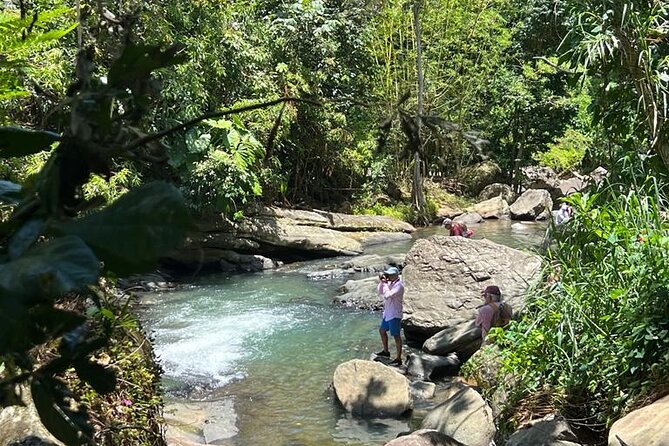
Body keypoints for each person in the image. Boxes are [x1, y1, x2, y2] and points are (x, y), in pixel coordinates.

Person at [376, 266, 404, 366]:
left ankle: (398, 358)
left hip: (395, 314)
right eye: (388, 274)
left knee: (396, 336)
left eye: (391, 274)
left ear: (396, 275)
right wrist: (382, 282)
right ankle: (386, 351)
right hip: (388, 313)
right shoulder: (389, 283)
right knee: (382, 331)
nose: (389, 276)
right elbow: (379, 291)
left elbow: (388, 295)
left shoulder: (399, 286)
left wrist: (385, 284)